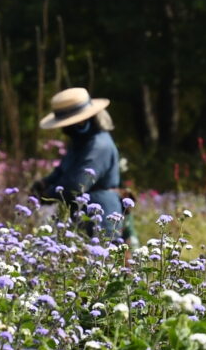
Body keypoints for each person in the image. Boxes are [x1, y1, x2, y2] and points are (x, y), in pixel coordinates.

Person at [31, 87, 131, 242]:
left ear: (83, 120)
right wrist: (45, 183)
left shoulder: (99, 145)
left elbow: (76, 186)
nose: (65, 129)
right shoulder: (80, 143)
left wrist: (47, 194)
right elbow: (62, 171)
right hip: (77, 216)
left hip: (100, 217)